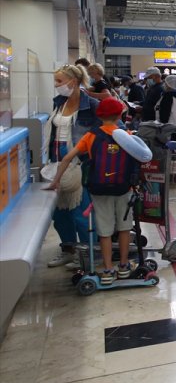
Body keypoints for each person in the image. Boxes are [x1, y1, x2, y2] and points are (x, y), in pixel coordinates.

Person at [45, 98, 152, 284]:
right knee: (124, 227)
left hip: (99, 189)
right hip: (123, 188)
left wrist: (56, 181)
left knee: (104, 231)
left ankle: (108, 269)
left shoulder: (90, 136)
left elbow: (68, 158)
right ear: (120, 115)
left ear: (98, 115)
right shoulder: (125, 135)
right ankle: (125, 266)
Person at [43, 64, 100, 268]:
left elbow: (110, 128)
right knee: (60, 212)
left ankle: (86, 253)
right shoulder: (59, 102)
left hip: (80, 164)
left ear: (73, 82)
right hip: (56, 161)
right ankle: (68, 248)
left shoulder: (91, 105)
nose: (57, 85)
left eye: (59, 81)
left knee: (81, 212)